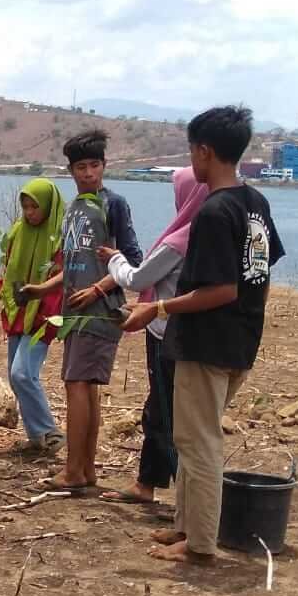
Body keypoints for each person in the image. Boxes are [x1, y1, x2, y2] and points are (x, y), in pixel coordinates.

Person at [123, 105, 284, 565]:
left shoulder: (214, 212)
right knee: (191, 436)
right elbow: (260, 275)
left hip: (207, 342)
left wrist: (157, 307)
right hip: (239, 339)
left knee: (199, 443)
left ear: (205, 151)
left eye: (192, 150)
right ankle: (186, 526)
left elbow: (221, 289)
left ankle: (199, 545)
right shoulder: (255, 204)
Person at [23, 129, 142, 493]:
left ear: (104, 165)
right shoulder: (73, 209)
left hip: (100, 311)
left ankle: (73, 471)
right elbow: (75, 263)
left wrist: (98, 289)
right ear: (71, 170)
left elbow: (133, 260)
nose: (89, 173)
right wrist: (44, 289)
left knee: (77, 384)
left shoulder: (114, 204)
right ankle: (85, 470)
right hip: (73, 312)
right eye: (81, 167)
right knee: (83, 387)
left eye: (94, 165)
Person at [96, 168, 208, 505]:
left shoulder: (180, 239)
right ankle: (151, 481)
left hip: (166, 333)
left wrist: (115, 259)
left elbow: (138, 278)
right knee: (169, 410)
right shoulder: (211, 234)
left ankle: (182, 495)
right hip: (193, 334)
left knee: (162, 412)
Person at [0, 177, 66, 453]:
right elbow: (9, 267)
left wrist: (43, 306)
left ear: (48, 206)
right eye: (25, 207)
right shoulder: (19, 230)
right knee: (15, 376)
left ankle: (50, 432)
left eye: (35, 207)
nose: (29, 213)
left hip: (44, 313)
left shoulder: (59, 236)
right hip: (18, 309)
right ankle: (37, 438)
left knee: (23, 373)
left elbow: (63, 277)